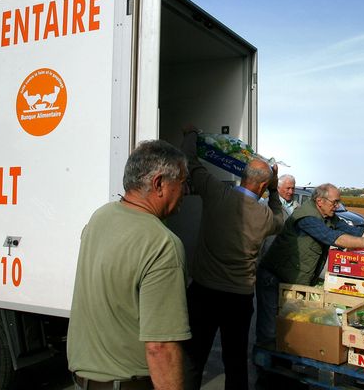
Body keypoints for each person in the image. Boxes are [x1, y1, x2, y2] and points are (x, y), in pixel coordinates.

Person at [67, 140, 191, 390]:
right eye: (183, 182)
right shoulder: (162, 243)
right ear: (159, 184)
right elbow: (160, 347)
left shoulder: (100, 216)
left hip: (84, 382)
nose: (186, 191)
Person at [180, 128, 284, 390]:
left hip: (203, 292)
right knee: (236, 362)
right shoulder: (266, 218)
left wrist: (191, 135)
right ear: (262, 185)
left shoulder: (217, 193)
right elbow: (280, 217)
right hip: (238, 298)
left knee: (194, 357)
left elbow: (190, 163)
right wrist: (274, 190)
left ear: (243, 176)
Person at [255, 183, 364, 347]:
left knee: (288, 325)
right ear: (320, 201)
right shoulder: (306, 218)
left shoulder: (328, 215)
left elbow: (352, 230)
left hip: (292, 276)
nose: (337, 206)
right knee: (270, 328)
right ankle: (264, 365)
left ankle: (282, 362)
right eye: (334, 202)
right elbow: (333, 237)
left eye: (338, 202)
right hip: (273, 276)